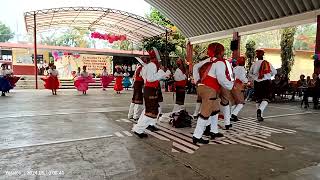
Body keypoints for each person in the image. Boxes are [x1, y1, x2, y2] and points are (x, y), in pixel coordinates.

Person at [192, 43, 234, 144]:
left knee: (215, 110)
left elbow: (195, 67)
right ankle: (197, 136)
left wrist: (197, 80)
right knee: (205, 113)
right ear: (221, 51)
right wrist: (231, 85)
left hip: (202, 87)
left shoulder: (209, 60)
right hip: (209, 90)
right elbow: (221, 79)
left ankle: (213, 131)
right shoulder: (219, 62)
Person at [132, 50, 170, 138]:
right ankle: (139, 129)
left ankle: (138, 127)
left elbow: (151, 77)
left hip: (150, 89)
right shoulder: (152, 65)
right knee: (151, 111)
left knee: (148, 109)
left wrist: (165, 74)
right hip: (150, 90)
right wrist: (161, 73)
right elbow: (150, 79)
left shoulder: (149, 66)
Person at [249, 49, 277, 121]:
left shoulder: (254, 64)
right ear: (263, 55)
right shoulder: (267, 63)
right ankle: (260, 110)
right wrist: (269, 74)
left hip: (257, 83)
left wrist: (255, 77)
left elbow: (249, 74)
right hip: (266, 82)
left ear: (257, 56)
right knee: (266, 98)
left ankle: (260, 115)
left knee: (258, 99)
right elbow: (275, 72)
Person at [230, 56, 248, 122]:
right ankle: (233, 114)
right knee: (241, 102)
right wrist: (247, 81)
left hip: (232, 85)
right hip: (238, 85)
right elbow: (242, 78)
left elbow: (232, 77)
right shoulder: (242, 69)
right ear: (243, 62)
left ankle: (230, 116)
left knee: (234, 102)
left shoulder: (234, 68)